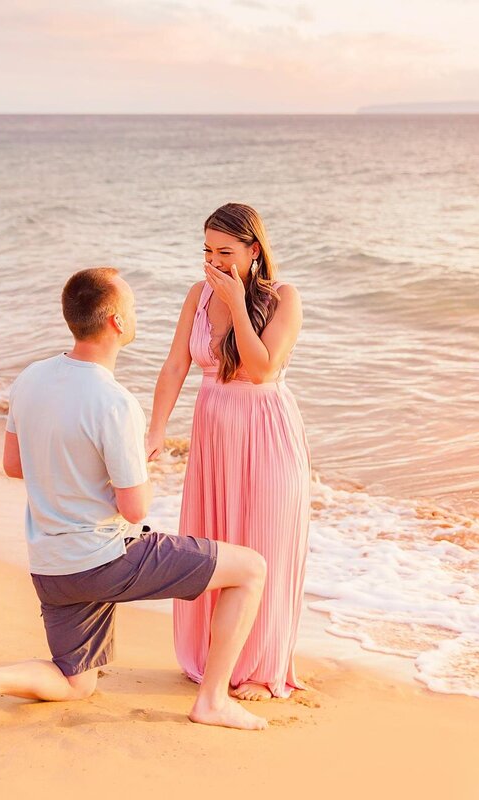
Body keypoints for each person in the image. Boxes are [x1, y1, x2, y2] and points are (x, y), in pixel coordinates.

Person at [0, 267, 269, 731]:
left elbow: (14, 464)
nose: (136, 312)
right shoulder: (114, 402)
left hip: (51, 566)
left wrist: (79, 473)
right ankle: (212, 700)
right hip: (103, 560)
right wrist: (140, 466)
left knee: (76, 683)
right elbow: (134, 509)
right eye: (131, 306)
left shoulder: (31, 378)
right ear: (115, 323)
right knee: (250, 569)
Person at [147, 203, 311, 700]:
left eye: (226, 252)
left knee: (264, 541)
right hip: (214, 435)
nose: (215, 262)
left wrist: (238, 303)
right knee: (215, 541)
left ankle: (261, 667)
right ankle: (215, 659)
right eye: (207, 251)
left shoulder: (284, 298)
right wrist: (154, 431)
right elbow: (176, 366)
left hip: (266, 432)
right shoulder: (197, 295)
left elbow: (261, 370)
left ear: (253, 251)